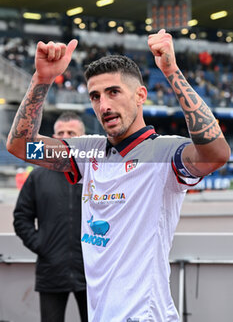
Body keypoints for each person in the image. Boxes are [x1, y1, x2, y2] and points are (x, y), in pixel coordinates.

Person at [7, 30, 230, 322]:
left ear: (140, 96)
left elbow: (216, 154)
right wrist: (42, 79)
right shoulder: (89, 153)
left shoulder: (163, 153)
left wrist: (171, 71)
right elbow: (21, 146)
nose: (104, 105)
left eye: (114, 92)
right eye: (96, 96)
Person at [13, 112, 88, 322]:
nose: (65, 137)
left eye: (71, 133)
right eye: (60, 133)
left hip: (92, 271)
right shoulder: (37, 176)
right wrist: (42, 245)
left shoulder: (95, 175)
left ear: (83, 138)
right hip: (51, 271)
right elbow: (21, 218)